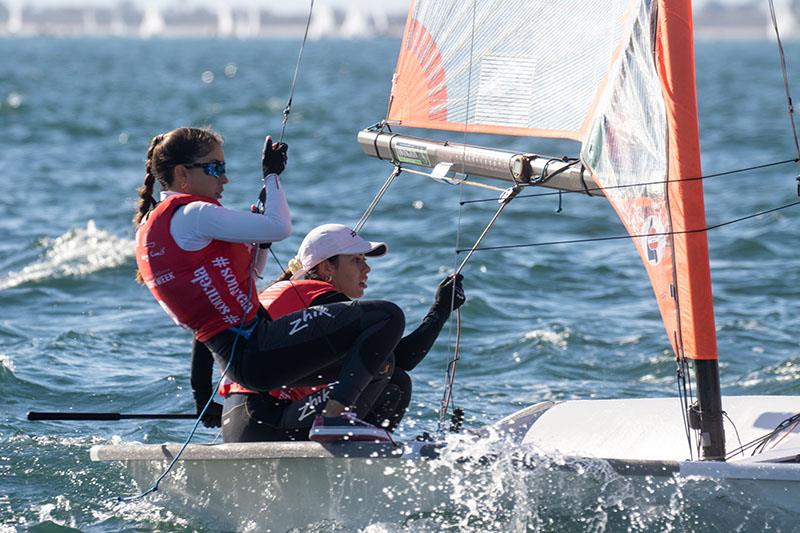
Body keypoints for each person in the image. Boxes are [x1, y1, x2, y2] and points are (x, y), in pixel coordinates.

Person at [134, 126, 407, 443]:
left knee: (381, 365)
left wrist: (259, 246)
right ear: (182, 173)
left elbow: (246, 283)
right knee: (387, 317)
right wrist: (272, 176)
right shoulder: (194, 213)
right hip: (256, 349)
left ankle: (345, 439)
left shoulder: (157, 224)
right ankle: (334, 419)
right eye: (216, 168)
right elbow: (280, 226)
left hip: (243, 358)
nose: (225, 179)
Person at [190, 223, 466, 443]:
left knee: (390, 375)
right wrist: (440, 310)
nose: (367, 268)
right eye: (357, 260)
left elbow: (207, 330)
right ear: (326, 268)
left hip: (243, 421)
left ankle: (358, 446)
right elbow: (402, 357)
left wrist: (204, 401)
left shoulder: (276, 292)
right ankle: (357, 452)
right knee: (389, 371)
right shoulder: (320, 301)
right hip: (265, 423)